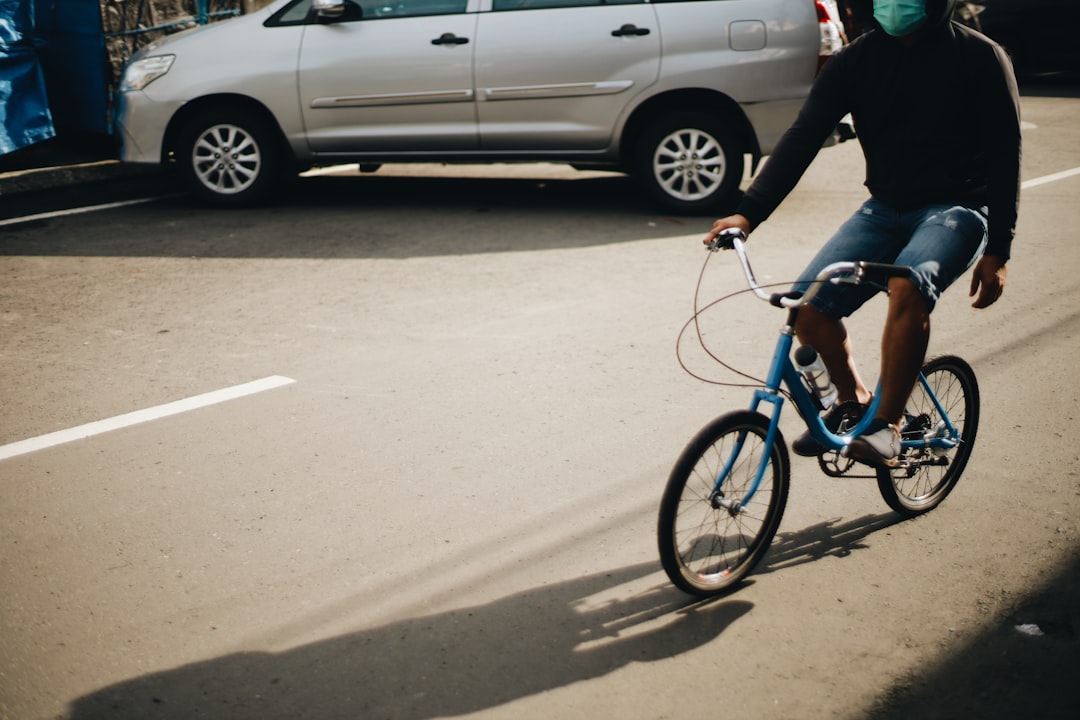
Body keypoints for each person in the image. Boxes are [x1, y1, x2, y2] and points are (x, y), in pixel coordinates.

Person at [705, 0, 1020, 468]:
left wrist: (999, 248)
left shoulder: (979, 55)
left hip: (959, 208)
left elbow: (1004, 150)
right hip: (884, 208)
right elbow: (804, 135)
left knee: (908, 285)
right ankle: (853, 404)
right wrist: (747, 213)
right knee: (806, 309)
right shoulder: (856, 61)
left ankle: (885, 428)